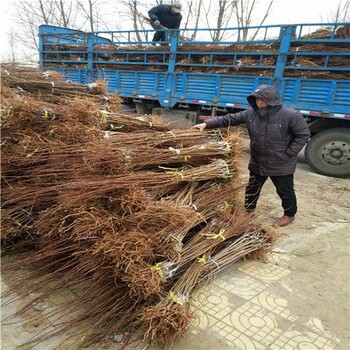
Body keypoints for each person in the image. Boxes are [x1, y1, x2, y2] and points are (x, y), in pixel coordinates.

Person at [192, 85, 311, 227]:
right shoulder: (250, 113)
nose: (259, 103)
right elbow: (228, 118)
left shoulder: (290, 115)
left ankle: (289, 214)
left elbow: (303, 135)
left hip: (281, 162)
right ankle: (249, 211)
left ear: (272, 100)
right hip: (258, 160)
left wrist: (288, 154)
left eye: (262, 100)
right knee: (252, 188)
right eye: (256, 99)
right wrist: (206, 124)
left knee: (285, 190)